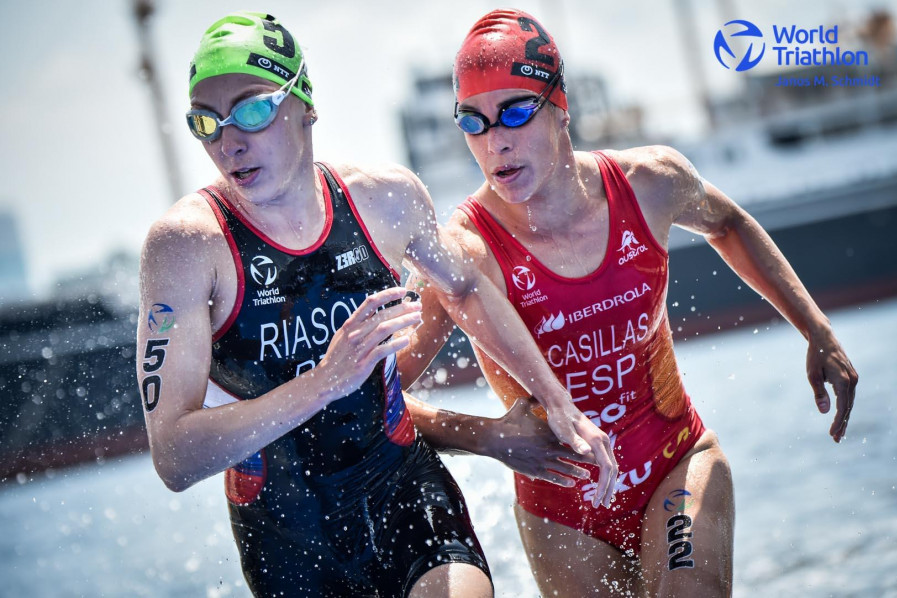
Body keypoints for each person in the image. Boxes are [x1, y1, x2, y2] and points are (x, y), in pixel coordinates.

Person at [135, 11, 618, 597]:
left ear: (303, 103)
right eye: (205, 122)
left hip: (405, 493)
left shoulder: (383, 198)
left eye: (253, 109)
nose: (229, 141)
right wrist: (326, 381)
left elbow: (463, 288)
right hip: (289, 543)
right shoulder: (187, 247)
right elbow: (174, 456)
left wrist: (555, 400)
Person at [398, 8, 859, 597]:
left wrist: (817, 330)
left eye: (515, 111)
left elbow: (729, 224)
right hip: (561, 512)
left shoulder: (649, 182)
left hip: (675, 462)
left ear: (560, 107)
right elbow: (374, 399)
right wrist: (486, 436)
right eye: (474, 121)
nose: (496, 140)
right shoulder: (463, 254)